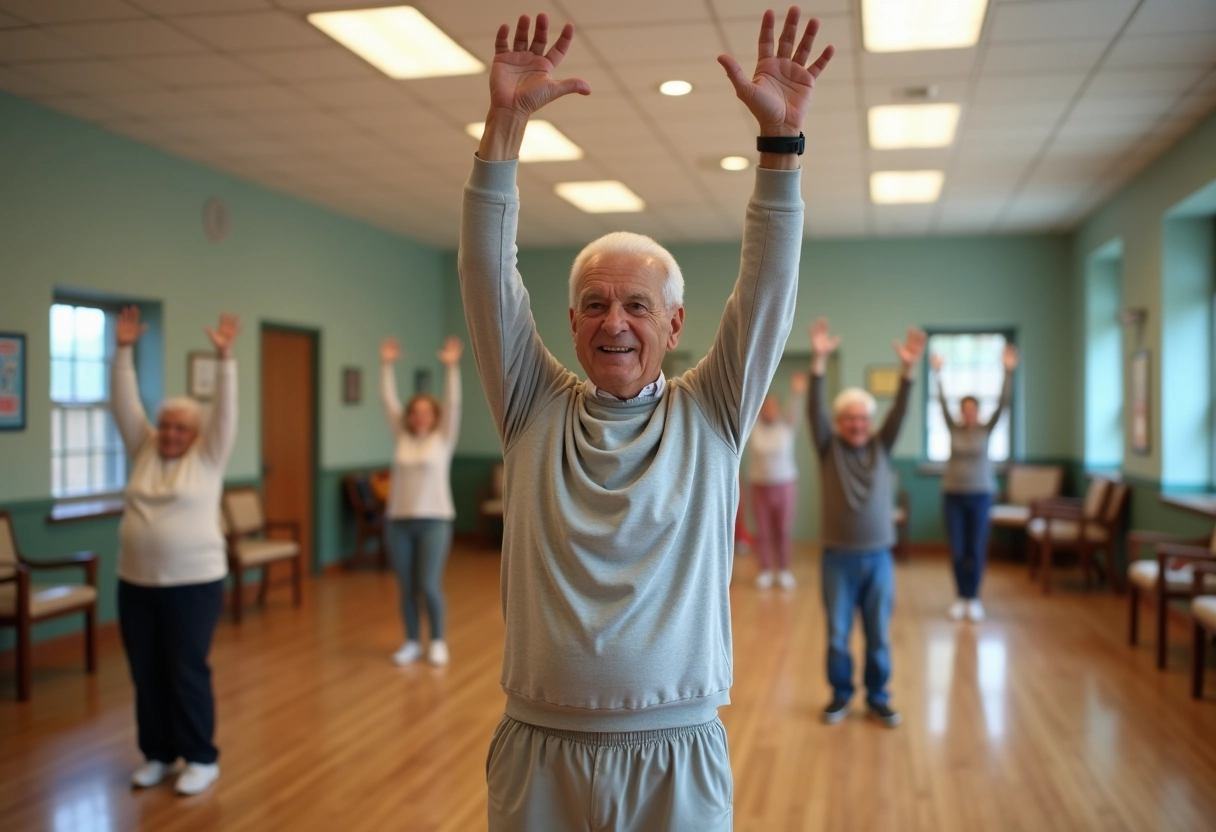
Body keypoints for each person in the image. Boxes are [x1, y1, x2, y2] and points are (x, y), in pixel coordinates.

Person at [459, 8, 833, 830]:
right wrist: (504, 126)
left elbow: (767, 290)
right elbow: (487, 274)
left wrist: (780, 151)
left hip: (676, 748)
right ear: (570, 324)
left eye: (636, 304)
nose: (614, 321)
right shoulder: (530, 405)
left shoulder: (714, 411)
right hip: (540, 746)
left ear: (674, 325)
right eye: (594, 303)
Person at [111, 306, 238, 796]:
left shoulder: (208, 456)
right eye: (164, 425)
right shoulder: (143, 448)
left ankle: (201, 757)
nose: (169, 433)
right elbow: (123, 405)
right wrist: (122, 351)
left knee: (186, 669)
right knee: (145, 672)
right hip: (136, 582)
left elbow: (226, 411)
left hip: (194, 583)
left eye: (179, 427)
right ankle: (158, 754)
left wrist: (225, 359)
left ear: (195, 433)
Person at [807, 317, 924, 728]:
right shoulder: (828, 448)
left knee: (878, 637)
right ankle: (840, 696)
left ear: (870, 422)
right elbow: (814, 410)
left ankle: (878, 697)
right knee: (838, 637)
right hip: (837, 558)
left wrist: (909, 370)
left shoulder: (882, 445)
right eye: (849, 418)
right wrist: (819, 362)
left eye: (863, 418)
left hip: (878, 558)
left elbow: (902, 410)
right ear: (839, 423)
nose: (857, 424)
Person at [379, 335, 463, 667]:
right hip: (399, 521)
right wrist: (386, 365)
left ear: (434, 416)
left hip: (435, 520)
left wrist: (452, 369)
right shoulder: (400, 436)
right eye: (415, 412)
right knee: (406, 586)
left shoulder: (443, 439)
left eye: (427, 412)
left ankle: (438, 640)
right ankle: (412, 641)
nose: (419, 417)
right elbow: (387, 401)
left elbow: (453, 405)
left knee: (428, 584)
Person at [931, 344, 1018, 623]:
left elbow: (1004, 405)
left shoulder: (986, 429)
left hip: (981, 495)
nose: (969, 414)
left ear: (978, 412)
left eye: (973, 410)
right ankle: (961, 597)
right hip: (953, 495)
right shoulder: (952, 427)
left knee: (976, 548)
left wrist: (1008, 371)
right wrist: (937, 373)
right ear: (961, 412)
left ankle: (974, 598)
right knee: (958, 548)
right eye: (965, 409)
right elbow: (940, 402)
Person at [748, 373, 807, 589]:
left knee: (783, 530)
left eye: (773, 406)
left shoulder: (787, 427)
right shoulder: (752, 427)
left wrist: (798, 392)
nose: (769, 410)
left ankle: (783, 570)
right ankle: (764, 570)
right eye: (766, 406)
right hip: (759, 485)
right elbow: (746, 403)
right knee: (762, 531)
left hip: (785, 485)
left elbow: (795, 411)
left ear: (779, 410)